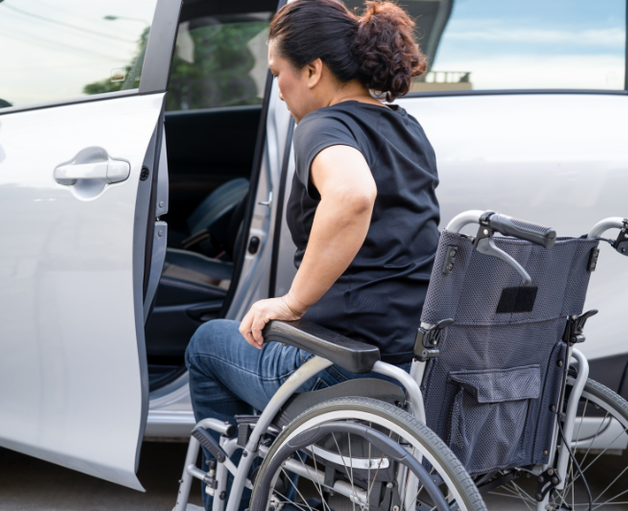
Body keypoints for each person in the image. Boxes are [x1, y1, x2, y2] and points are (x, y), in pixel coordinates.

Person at [184, 0, 439, 507]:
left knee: (208, 343)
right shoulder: (407, 127)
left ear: (313, 70)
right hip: (405, 361)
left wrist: (293, 303)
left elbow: (351, 196)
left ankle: (241, 497)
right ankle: (281, 488)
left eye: (278, 73)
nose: (277, 89)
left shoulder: (323, 127)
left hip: (341, 365)